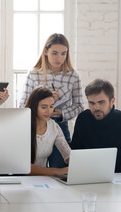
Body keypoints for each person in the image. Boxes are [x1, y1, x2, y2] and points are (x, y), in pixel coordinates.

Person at [19, 33, 83, 168]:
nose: (59, 58)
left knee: (60, 167)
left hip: (60, 124)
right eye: (54, 53)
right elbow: (22, 104)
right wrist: (43, 101)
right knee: (34, 165)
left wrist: (59, 113)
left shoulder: (73, 75)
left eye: (63, 53)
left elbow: (79, 106)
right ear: (46, 51)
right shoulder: (34, 73)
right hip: (35, 126)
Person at [71, 79, 121, 174]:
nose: (96, 108)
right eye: (91, 103)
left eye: (101, 102)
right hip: (90, 176)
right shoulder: (83, 119)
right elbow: (75, 153)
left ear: (112, 101)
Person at [25, 86, 70, 176]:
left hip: (42, 181)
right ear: (34, 107)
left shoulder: (54, 126)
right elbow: (23, 167)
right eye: (44, 107)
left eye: (51, 106)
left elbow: (67, 154)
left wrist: (78, 165)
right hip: (21, 179)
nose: (49, 111)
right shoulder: (23, 127)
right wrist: (59, 171)